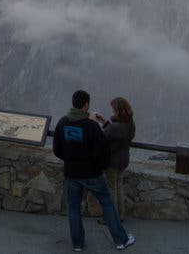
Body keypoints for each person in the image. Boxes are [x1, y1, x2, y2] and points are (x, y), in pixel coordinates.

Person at [53, 90, 135, 252]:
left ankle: (78, 244)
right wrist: (98, 168)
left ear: (73, 103)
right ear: (86, 105)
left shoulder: (63, 123)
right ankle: (120, 240)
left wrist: (70, 161)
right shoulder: (91, 127)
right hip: (92, 174)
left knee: (74, 208)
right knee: (108, 204)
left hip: (71, 173)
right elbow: (103, 153)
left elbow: (57, 149)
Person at [92, 97, 136, 221]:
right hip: (123, 159)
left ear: (117, 110)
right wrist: (105, 122)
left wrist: (94, 122)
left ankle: (111, 218)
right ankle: (120, 215)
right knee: (118, 186)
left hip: (112, 161)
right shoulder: (130, 123)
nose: (112, 111)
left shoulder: (115, 127)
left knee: (111, 189)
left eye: (113, 109)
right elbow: (114, 132)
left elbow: (103, 137)